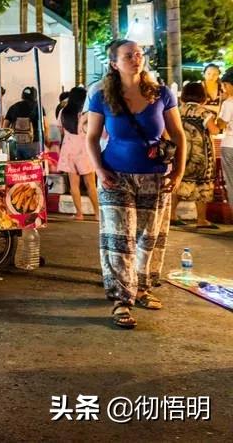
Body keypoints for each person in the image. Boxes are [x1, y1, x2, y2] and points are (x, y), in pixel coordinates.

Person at [86, 39, 186, 329]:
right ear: (114, 63)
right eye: (128, 55)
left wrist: (178, 172)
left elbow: (178, 134)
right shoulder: (102, 96)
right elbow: (91, 137)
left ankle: (141, 288)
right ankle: (121, 300)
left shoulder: (161, 93)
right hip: (115, 176)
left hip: (155, 176)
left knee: (147, 237)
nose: (136, 58)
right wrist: (99, 169)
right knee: (120, 239)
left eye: (139, 54)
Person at [171, 82, 220, 229]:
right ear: (202, 96)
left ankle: (172, 216)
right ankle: (201, 220)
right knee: (203, 185)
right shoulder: (204, 112)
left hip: (181, 154)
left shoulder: (178, 110)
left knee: (179, 182)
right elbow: (214, 130)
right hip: (200, 156)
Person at [57, 87, 100, 221]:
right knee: (90, 184)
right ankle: (97, 214)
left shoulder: (63, 112)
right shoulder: (86, 113)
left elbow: (60, 130)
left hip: (69, 150)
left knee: (73, 185)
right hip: (84, 150)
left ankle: (79, 214)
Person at [4, 87, 45, 160]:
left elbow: (5, 127)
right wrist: (46, 139)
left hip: (15, 144)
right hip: (33, 143)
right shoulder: (38, 107)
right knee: (32, 165)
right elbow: (45, 125)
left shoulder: (13, 107)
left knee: (17, 165)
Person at [218, 69, 233, 218]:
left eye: (225, 85)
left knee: (232, 183)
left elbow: (221, 125)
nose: (223, 89)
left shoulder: (229, 103)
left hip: (230, 145)